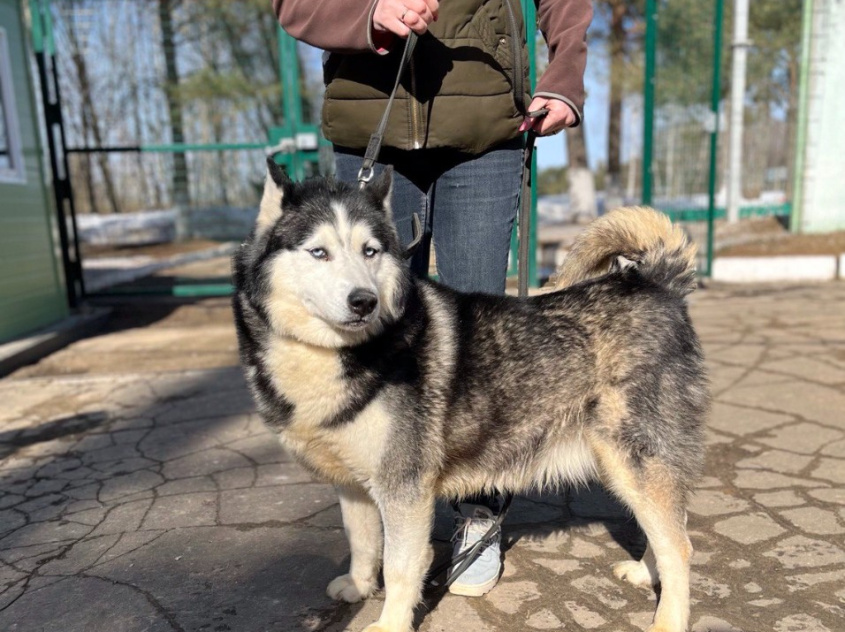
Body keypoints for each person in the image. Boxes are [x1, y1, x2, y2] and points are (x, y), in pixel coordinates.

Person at [273, 0, 592, 598]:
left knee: (480, 348)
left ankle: (478, 516)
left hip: (488, 130)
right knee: (369, 340)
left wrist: (564, 77)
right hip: (371, 122)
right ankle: (374, 544)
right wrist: (367, 14)